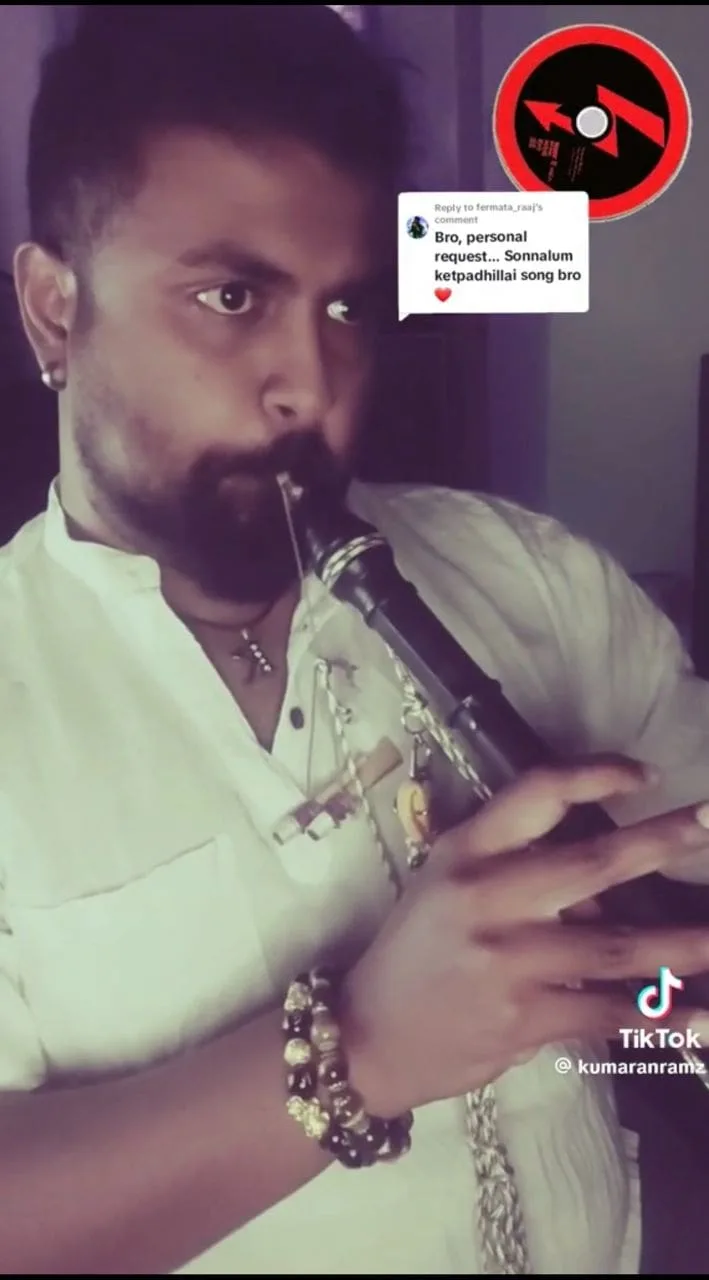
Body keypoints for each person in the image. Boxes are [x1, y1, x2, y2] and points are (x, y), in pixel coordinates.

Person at [3, 5, 709, 1274]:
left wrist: (663, 993)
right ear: (56, 309)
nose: (314, 386)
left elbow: (675, 944)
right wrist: (364, 1050)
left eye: (345, 307)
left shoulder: (538, 580)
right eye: (231, 297)